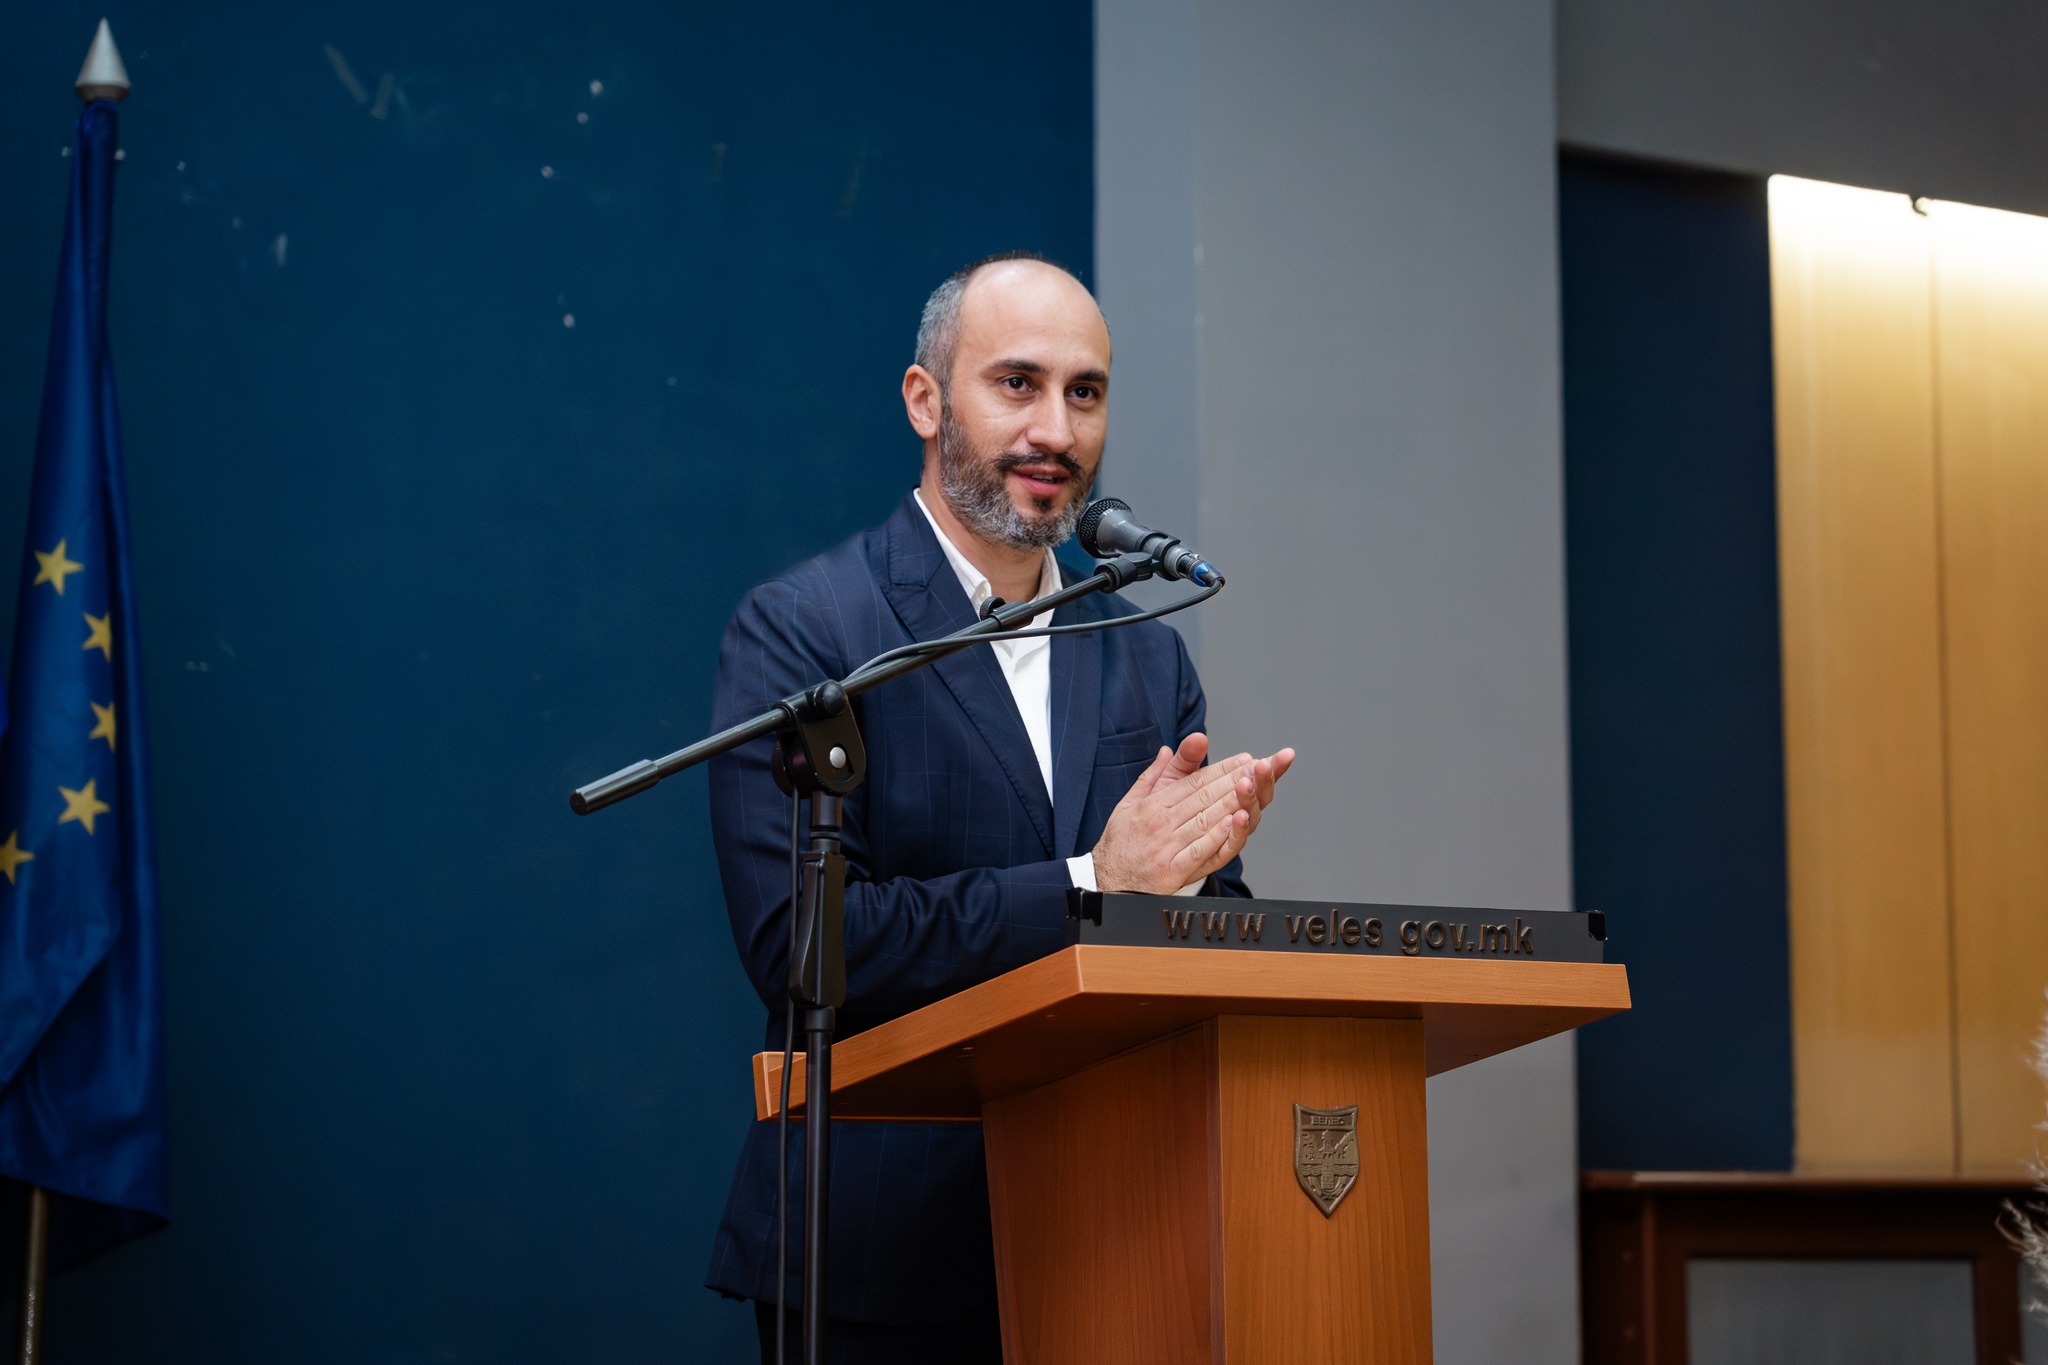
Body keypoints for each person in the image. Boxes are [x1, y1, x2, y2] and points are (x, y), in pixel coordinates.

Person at [703, 252, 1295, 1363]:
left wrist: (1213, 898)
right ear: (925, 401)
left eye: (1085, 392)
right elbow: (806, 945)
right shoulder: (807, 631)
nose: (1056, 431)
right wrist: (1092, 885)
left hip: (1121, 1239)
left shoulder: (1144, 655)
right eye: (1017, 384)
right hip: (879, 1255)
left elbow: (1181, 929)